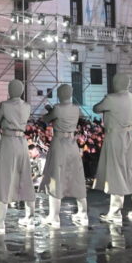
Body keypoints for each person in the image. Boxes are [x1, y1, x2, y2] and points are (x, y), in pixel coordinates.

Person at [0, 80, 35, 233]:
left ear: (9, 90)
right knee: (26, 178)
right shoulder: (27, 106)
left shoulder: (5, 105)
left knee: (3, 180)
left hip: (8, 141)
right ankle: (30, 218)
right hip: (22, 142)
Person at [93, 73, 132, 223]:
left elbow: (96, 108)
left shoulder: (111, 98)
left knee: (116, 173)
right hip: (131, 137)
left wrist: (105, 97)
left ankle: (115, 212)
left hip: (116, 138)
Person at [38, 84, 89, 228]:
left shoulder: (58, 108)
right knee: (77, 177)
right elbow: (81, 118)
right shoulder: (76, 108)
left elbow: (45, 119)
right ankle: (83, 213)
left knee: (56, 177)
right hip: (72, 144)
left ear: (60, 95)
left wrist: (50, 111)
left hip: (59, 143)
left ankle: (54, 217)